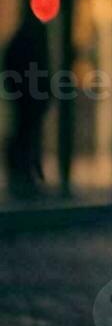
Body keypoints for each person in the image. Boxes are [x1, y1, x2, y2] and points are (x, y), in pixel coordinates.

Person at [3, 12, 51, 198]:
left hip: (29, 97)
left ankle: (28, 168)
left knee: (27, 133)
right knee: (26, 133)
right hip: (28, 97)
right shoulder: (28, 44)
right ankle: (26, 168)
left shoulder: (23, 43)